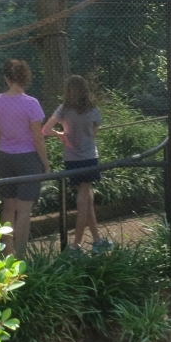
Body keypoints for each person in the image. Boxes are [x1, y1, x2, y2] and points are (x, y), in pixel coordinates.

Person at [42, 75, 112, 251]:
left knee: (87, 197)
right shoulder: (92, 109)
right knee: (84, 199)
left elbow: (45, 129)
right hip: (89, 157)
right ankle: (75, 246)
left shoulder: (63, 109)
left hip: (71, 159)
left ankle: (97, 240)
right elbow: (95, 131)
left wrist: (60, 135)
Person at [0, 59, 49, 258]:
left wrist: (5, 149)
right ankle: (21, 257)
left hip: (5, 156)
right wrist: (46, 164)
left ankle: (7, 253)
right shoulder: (31, 104)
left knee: (8, 207)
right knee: (24, 211)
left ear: (6, 78)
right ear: (25, 78)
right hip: (28, 159)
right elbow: (38, 138)